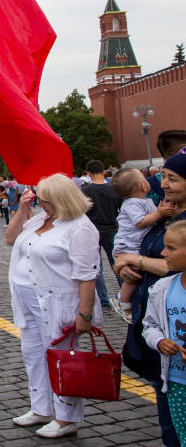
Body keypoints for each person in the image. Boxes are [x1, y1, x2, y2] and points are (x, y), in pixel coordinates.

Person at [4, 175, 101, 439]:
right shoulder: (40, 219)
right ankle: (40, 407)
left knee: (61, 358)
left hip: (58, 302)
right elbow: (11, 239)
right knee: (33, 354)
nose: (42, 204)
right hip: (28, 299)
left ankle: (66, 417)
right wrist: (23, 210)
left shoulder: (79, 227)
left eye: (45, 201)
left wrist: (85, 313)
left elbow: (87, 275)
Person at [117, 148, 186, 447]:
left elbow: (167, 262)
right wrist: (125, 265)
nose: (164, 183)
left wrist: (135, 260)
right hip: (159, 322)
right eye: (164, 177)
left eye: (172, 178)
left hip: (176, 321)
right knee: (168, 411)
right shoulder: (165, 209)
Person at [110, 168, 175, 323]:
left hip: (134, 243)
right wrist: (159, 214)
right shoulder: (131, 204)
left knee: (135, 273)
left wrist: (162, 211)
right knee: (133, 274)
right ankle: (122, 300)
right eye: (144, 178)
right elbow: (140, 222)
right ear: (143, 186)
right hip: (128, 244)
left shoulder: (144, 201)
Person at [142, 219, 186, 442]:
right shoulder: (163, 288)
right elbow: (149, 325)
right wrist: (159, 341)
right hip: (177, 380)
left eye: (171, 248)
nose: (162, 252)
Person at [82, 160, 122, 314]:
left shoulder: (86, 191)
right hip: (112, 229)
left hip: (93, 231)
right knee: (117, 264)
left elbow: (83, 211)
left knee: (97, 268)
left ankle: (104, 301)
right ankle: (124, 297)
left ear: (88, 173)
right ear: (104, 172)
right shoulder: (114, 189)